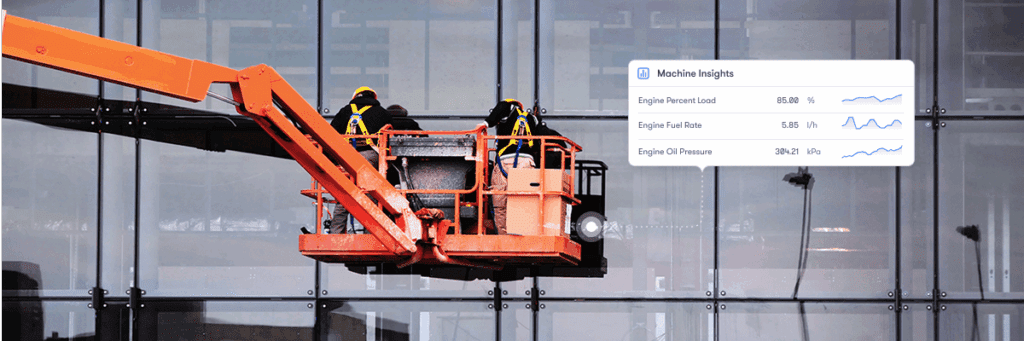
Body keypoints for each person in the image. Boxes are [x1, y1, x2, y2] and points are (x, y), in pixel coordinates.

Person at [327, 86, 393, 234]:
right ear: (374, 98)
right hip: (373, 155)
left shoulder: (345, 111)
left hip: (348, 156)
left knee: (346, 193)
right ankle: (373, 233)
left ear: (355, 97)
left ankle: (336, 232)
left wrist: (333, 159)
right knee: (371, 192)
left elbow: (330, 133)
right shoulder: (383, 113)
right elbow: (392, 137)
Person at [483, 99, 541, 234]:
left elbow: (503, 106)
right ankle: (523, 233)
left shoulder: (509, 112)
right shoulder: (532, 120)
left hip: (504, 162)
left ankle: (504, 237)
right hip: (526, 163)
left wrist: (486, 123)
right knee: (523, 200)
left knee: (500, 204)